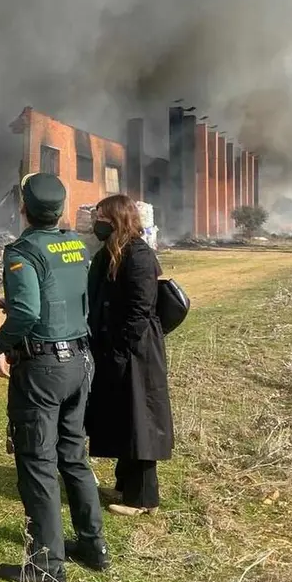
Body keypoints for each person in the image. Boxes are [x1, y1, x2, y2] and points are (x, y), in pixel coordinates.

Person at [0, 173, 109, 582]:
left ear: (23, 208)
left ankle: (46, 565)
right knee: (73, 456)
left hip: (43, 369)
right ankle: (93, 546)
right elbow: (74, 298)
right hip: (79, 360)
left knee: (38, 463)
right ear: (60, 208)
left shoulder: (23, 250)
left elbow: (25, 314)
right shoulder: (75, 243)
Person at [85, 194, 173, 516]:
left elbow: (140, 309)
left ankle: (142, 500)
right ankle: (126, 485)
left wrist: (121, 349)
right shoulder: (111, 252)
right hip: (119, 350)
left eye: (102, 217)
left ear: (117, 219)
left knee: (140, 421)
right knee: (126, 418)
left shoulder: (137, 255)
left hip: (136, 353)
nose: (97, 223)